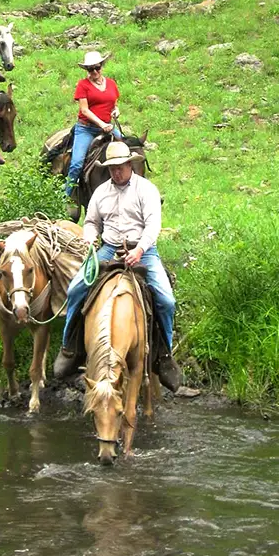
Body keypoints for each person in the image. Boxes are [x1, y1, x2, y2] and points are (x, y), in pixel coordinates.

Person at [54, 141, 182, 392]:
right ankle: (70, 348)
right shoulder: (101, 192)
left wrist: (139, 250)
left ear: (130, 164)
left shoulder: (147, 190)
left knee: (167, 301)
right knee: (75, 289)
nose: (116, 172)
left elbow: (153, 226)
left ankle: (164, 357)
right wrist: (89, 238)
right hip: (109, 248)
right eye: (111, 168)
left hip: (142, 250)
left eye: (120, 167)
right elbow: (91, 222)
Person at [65, 51, 121, 198]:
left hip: (107, 127)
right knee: (77, 163)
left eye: (97, 67)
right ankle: (64, 198)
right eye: (91, 69)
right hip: (87, 129)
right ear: (87, 70)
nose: (95, 71)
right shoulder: (83, 85)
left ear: (102, 66)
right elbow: (84, 109)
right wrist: (102, 124)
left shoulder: (111, 84)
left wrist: (116, 111)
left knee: (127, 149)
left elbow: (113, 104)